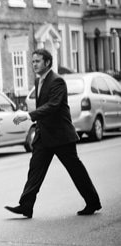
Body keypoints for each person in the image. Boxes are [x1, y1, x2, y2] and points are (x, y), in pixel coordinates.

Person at [5, 48, 101, 218]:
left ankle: (92, 202)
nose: (34, 64)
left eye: (37, 61)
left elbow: (53, 105)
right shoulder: (38, 81)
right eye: (33, 61)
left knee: (76, 170)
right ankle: (26, 206)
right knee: (35, 170)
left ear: (47, 62)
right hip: (44, 136)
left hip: (61, 135)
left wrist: (29, 115)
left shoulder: (57, 81)